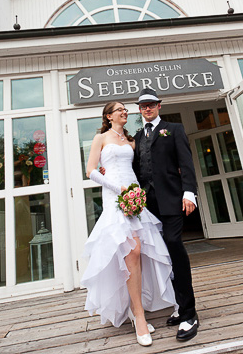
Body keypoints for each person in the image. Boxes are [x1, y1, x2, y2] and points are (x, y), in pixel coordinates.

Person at [81, 101, 177, 347]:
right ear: (108, 116)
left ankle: (136, 308)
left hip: (135, 195)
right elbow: (91, 171)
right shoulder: (100, 139)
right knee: (131, 250)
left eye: (126, 109)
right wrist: (118, 188)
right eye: (120, 110)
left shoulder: (132, 141)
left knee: (138, 252)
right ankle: (139, 316)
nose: (125, 112)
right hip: (115, 195)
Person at [133, 88, 199, 342]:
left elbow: (186, 163)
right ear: (139, 110)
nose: (147, 109)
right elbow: (134, 169)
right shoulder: (138, 136)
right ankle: (179, 307)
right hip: (147, 207)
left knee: (174, 246)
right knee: (160, 256)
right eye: (143, 106)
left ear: (159, 105)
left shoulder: (174, 129)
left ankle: (189, 313)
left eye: (151, 104)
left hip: (172, 201)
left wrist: (189, 193)